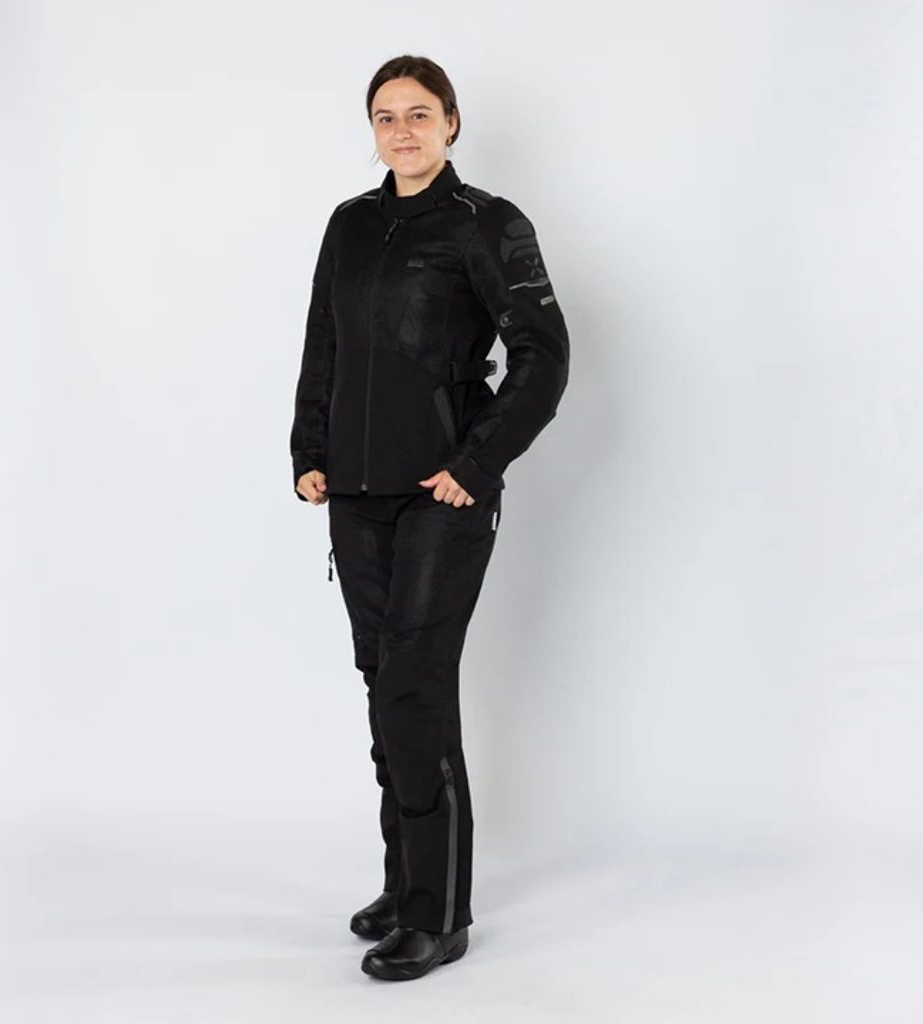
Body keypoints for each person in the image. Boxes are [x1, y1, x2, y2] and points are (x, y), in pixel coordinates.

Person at [289, 54, 570, 981]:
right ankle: (408, 881)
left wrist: (475, 464)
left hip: (441, 497)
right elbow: (324, 341)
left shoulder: (487, 223)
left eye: (419, 114)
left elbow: (544, 354)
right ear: (371, 130)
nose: (401, 131)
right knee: (387, 686)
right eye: (385, 116)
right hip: (356, 495)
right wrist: (310, 450)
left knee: (413, 687)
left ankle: (438, 917)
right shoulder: (350, 225)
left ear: (451, 123)